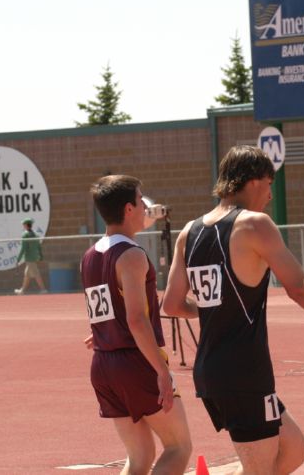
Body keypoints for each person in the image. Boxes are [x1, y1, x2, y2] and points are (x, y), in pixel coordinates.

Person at [163, 145, 304, 474]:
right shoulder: (254, 225)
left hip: (213, 370)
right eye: (269, 184)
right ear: (254, 181)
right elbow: (298, 288)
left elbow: (171, 304)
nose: (270, 195)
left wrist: (215, 304)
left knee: (293, 448)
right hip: (243, 371)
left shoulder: (189, 232)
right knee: (260, 469)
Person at [81, 175, 192, 475]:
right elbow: (135, 319)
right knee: (179, 446)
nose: (146, 207)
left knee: (140, 456)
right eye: (142, 201)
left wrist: (103, 332)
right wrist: (161, 371)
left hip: (103, 364)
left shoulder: (90, 256)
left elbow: (104, 311)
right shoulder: (131, 255)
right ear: (129, 209)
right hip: (136, 361)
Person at [14, 218, 47, 295]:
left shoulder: (25, 235)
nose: (23, 226)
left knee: (36, 273)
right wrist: (41, 255)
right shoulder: (35, 234)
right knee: (27, 274)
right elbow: (39, 246)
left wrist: (18, 259)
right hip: (35, 256)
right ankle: (22, 290)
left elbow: (23, 248)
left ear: (26, 225)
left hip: (29, 258)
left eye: (24, 224)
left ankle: (43, 289)